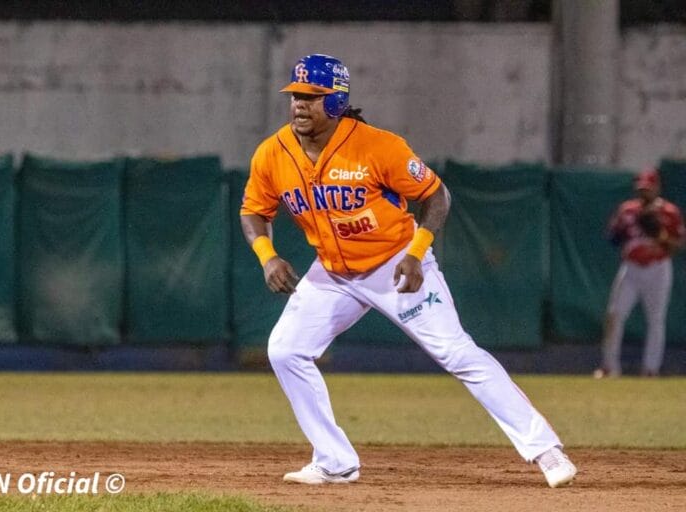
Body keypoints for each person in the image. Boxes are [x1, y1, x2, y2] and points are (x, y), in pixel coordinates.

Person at [240, 53, 577, 488]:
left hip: (393, 265)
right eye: (295, 96)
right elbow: (253, 209)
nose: (300, 104)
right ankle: (334, 461)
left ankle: (546, 451)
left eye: (313, 96)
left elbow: (437, 196)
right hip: (332, 273)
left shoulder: (378, 146)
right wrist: (267, 255)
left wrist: (417, 252)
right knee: (285, 350)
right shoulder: (273, 152)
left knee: (457, 352)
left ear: (337, 100)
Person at [594, 169, 685, 378]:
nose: (644, 192)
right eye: (641, 188)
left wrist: (660, 234)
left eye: (648, 188)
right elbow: (613, 237)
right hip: (631, 268)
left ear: (657, 188)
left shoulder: (669, 212)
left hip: (658, 268)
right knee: (614, 315)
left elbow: (678, 244)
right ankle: (609, 367)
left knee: (656, 320)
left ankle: (651, 369)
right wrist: (621, 232)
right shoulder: (628, 210)